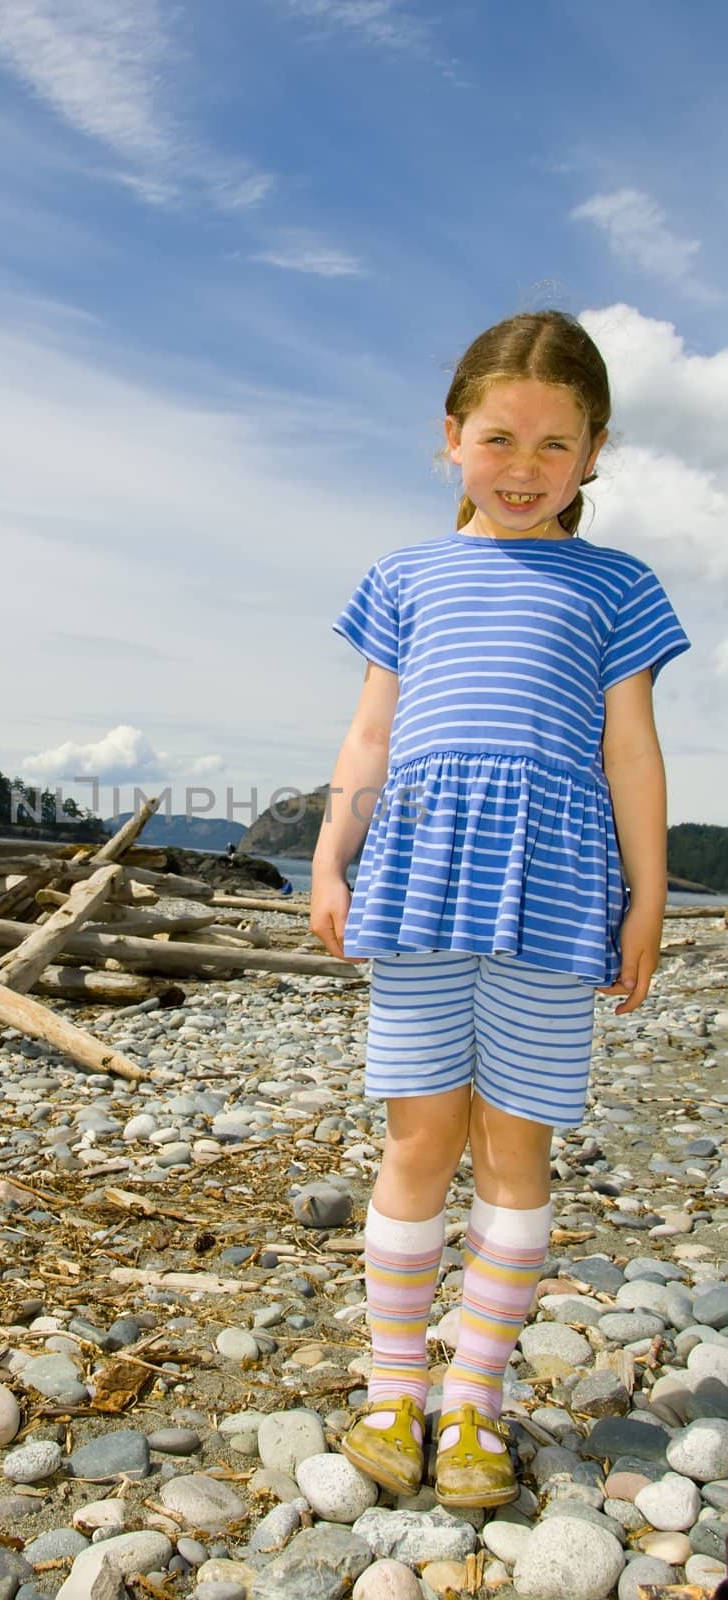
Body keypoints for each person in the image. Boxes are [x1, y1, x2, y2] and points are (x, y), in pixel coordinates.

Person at [310, 310, 691, 1509]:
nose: (523, 468)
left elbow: (631, 749)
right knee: (420, 1139)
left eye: (554, 445)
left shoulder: (619, 585)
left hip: (558, 884)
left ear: (594, 452)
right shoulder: (405, 575)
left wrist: (650, 894)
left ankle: (474, 1397)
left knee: (515, 1146)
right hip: (421, 881)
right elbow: (370, 732)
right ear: (450, 439)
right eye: (499, 438)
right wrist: (332, 858)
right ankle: (392, 1387)